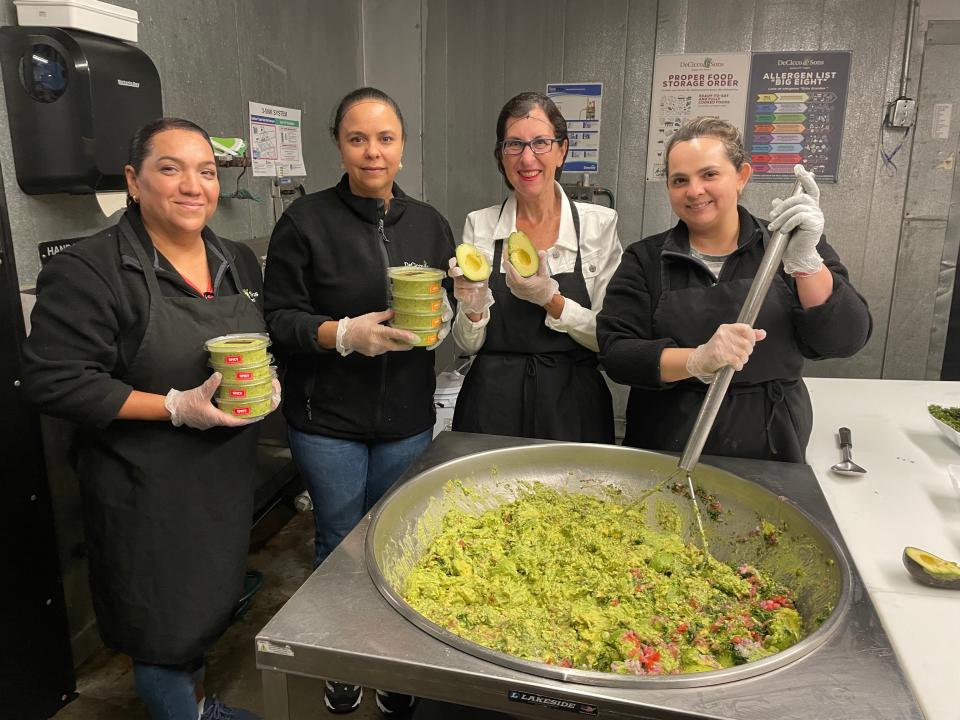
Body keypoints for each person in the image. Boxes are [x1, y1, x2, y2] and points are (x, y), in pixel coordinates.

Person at [21, 118, 274, 720]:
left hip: (220, 482)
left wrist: (266, 375)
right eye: (171, 168)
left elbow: (252, 342)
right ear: (134, 181)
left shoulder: (234, 258)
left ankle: (199, 703)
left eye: (207, 172)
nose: (193, 186)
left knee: (206, 607)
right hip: (146, 490)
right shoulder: (90, 269)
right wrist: (172, 407)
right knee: (162, 628)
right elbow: (53, 379)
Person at [262, 87, 455, 716]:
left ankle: (394, 662)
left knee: (398, 542)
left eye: (386, 138)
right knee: (340, 539)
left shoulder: (428, 222)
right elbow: (280, 320)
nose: (373, 152)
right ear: (339, 145)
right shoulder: (305, 222)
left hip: (405, 417)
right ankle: (339, 660)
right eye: (357, 138)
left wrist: (457, 314)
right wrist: (344, 334)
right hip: (328, 421)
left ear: (403, 145)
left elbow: (445, 313)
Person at [597, 117, 872, 462]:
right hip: (667, 438)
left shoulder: (785, 245)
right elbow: (618, 354)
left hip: (771, 442)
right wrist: (696, 360)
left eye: (709, 174)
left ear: (741, 176)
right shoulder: (646, 259)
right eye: (679, 180)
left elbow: (845, 339)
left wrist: (806, 264)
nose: (694, 190)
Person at [449, 91, 622, 442]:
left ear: (562, 149)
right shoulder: (479, 226)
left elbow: (610, 339)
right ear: (501, 155)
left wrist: (551, 300)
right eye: (514, 144)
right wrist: (472, 308)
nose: (527, 158)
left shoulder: (599, 225)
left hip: (574, 404)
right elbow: (467, 345)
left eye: (541, 142)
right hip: (490, 403)